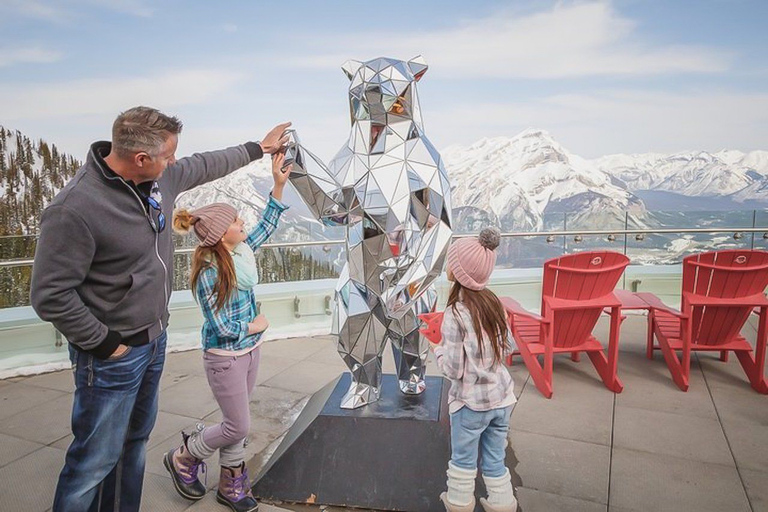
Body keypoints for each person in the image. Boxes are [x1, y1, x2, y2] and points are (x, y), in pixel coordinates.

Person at [29, 105, 290, 512]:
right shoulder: (75, 208)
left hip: (153, 341)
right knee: (93, 461)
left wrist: (258, 147)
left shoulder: (159, 179)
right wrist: (104, 342)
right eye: (168, 156)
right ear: (140, 159)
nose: (174, 163)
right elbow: (49, 294)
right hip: (111, 355)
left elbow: (205, 164)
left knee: (133, 446)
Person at [163, 150, 289, 512]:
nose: (242, 223)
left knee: (239, 421)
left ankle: (231, 485)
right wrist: (254, 324)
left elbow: (267, 225)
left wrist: (278, 186)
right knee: (236, 425)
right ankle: (185, 456)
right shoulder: (210, 274)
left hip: (249, 351)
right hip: (225, 357)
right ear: (221, 235)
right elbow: (219, 327)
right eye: (235, 221)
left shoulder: (241, 255)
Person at [429, 228, 518, 512]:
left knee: (463, 459)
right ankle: (502, 504)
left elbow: (453, 370)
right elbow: (508, 348)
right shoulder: (495, 304)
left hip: (470, 405)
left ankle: (457, 504)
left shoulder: (455, 314)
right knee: (494, 456)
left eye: (451, 262)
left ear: (458, 272)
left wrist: (437, 349)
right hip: (502, 400)